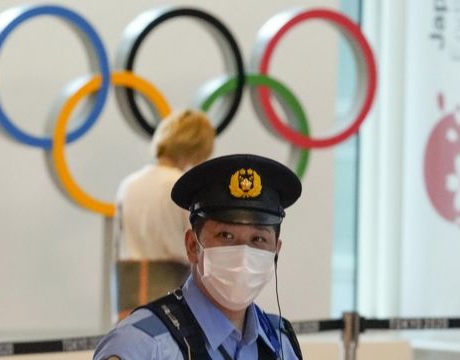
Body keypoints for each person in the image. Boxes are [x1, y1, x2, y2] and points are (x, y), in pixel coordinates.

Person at [95, 154, 304, 360]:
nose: (243, 254)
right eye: (226, 235)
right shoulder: (141, 346)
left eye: (258, 239)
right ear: (193, 245)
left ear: (276, 252)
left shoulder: (280, 343)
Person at [114, 109, 215, 319]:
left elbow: (119, 243)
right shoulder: (181, 186)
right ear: (197, 147)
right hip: (172, 291)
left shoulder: (129, 185)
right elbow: (196, 245)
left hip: (129, 293)